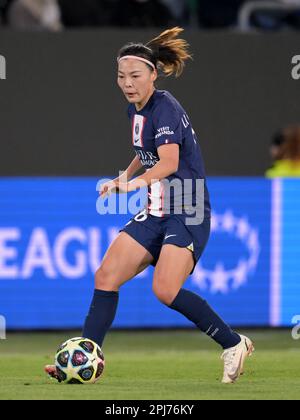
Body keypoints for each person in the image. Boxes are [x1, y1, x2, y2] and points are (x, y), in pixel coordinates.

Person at [45, 27, 254, 384]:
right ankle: (87, 359)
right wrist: (122, 177)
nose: (127, 83)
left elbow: (170, 163)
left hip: (187, 205)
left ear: (153, 75)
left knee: (165, 290)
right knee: (106, 275)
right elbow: (146, 153)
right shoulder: (136, 111)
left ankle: (233, 343)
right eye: (121, 76)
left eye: (135, 76)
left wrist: (134, 185)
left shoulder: (166, 107)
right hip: (159, 207)